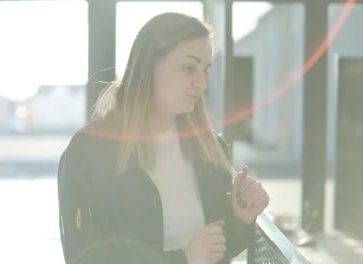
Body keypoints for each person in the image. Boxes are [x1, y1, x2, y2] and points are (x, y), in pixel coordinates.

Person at [57, 12, 270, 264]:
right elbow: (83, 257)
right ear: (149, 65)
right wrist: (183, 260)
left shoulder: (211, 148)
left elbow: (219, 249)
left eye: (205, 70)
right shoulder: (88, 151)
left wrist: (240, 217)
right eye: (189, 68)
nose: (201, 84)